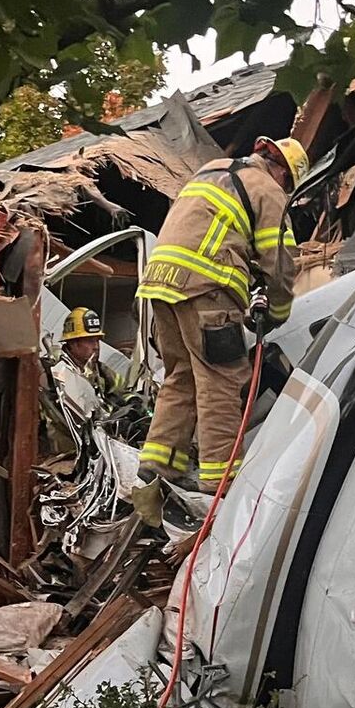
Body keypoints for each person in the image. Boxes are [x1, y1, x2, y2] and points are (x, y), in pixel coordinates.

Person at [135, 135, 306, 491]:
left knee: (180, 373)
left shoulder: (210, 171)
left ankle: (157, 465)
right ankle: (220, 482)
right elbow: (279, 264)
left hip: (160, 281)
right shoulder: (269, 190)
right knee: (223, 380)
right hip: (206, 288)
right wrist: (277, 310)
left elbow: (211, 230)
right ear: (285, 175)